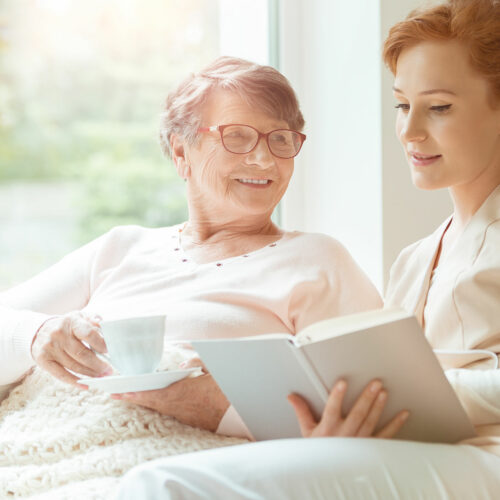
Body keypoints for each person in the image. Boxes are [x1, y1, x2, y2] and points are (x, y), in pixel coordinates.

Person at [114, 0, 500, 497]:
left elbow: (429, 395)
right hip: (419, 454)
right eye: (403, 105)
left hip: (484, 462)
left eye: (440, 107)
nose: (409, 131)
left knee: (161, 482)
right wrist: (342, 413)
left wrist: (399, 402)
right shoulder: (416, 260)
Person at [0, 56, 385, 436]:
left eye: (280, 139)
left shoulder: (316, 261)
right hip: (39, 447)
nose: (264, 158)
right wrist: (37, 335)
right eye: (237, 136)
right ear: (182, 151)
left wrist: (215, 409)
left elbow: (365, 413)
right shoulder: (120, 248)